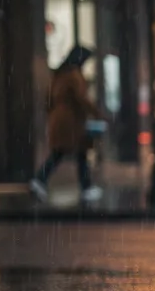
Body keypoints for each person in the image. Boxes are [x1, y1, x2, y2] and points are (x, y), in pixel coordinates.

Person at [29, 46, 104, 202]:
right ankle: (86, 187)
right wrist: (97, 113)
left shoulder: (58, 76)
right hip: (72, 122)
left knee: (59, 153)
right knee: (79, 153)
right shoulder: (74, 75)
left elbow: (48, 100)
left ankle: (40, 180)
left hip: (58, 120)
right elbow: (82, 98)